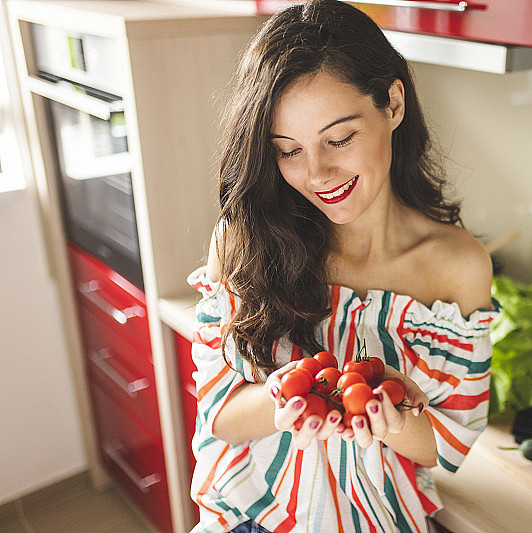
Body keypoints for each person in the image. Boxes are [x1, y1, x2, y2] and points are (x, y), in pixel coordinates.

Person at [187, 1, 497, 531]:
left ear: (393, 103)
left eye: (340, 138)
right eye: (288, 151)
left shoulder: (457, 266)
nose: (317, 173)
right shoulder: (244, 241)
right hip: (251, 519)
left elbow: (448, 447)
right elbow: (220, 416)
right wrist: (290, 392)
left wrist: (390, 407)